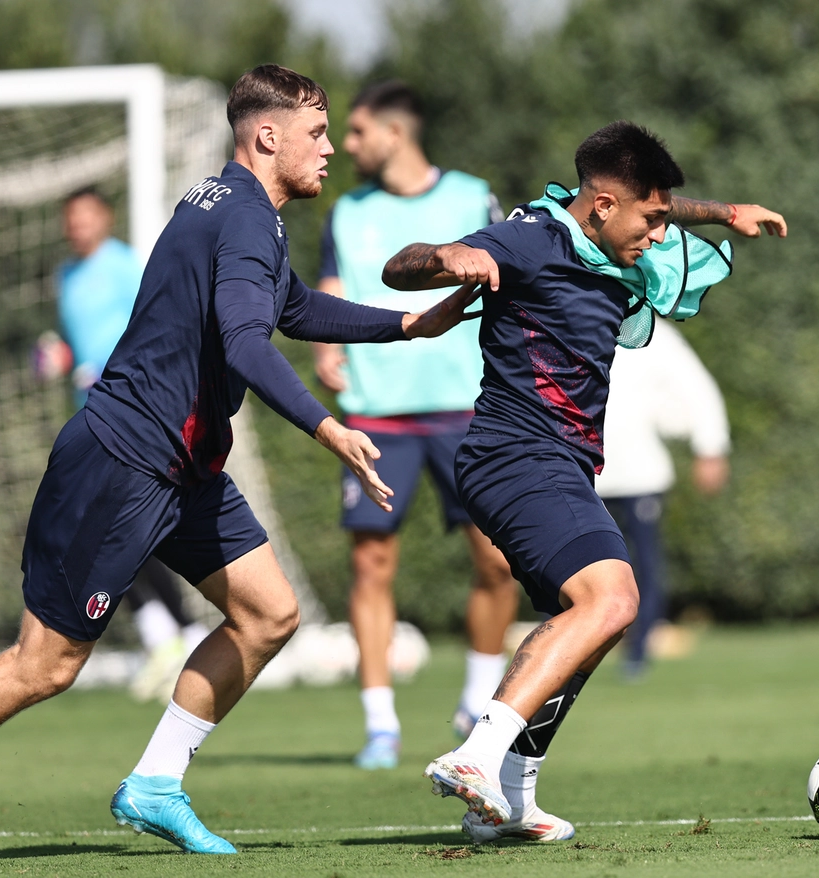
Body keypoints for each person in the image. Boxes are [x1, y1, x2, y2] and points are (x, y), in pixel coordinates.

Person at [0, 64, 479, 863]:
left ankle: (154, 785)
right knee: (45, 665)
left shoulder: (235, 206)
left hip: (179, 467)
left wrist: (407, 325)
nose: (330, 150)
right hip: (123, 459)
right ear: (267, 136)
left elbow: (289, 307)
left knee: (269, 612)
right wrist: (328, 429)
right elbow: (250, 342)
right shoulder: (246, 218)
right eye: (317, 134)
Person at [382, 120, 786, 843]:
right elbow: (400, 267)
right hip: (514, 456)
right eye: (652, 221)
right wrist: (450, 257)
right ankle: (477, 756)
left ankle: (513, 793)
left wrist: (726, 213)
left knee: (593, 619)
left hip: (556, 464)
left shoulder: (605, 222)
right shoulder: (528, 238)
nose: (660, 236)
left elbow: (653, 205)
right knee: (614, 596)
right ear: (601, 207)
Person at [312, 81, 518, 770]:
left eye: (360, 132)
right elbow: (331, 291)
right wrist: (325, 350)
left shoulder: (472, 194)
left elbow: (510, 277)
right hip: (376, 413)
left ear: (395, 134)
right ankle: (379, 725)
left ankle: (478, 699)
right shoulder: (346, 211)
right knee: (371, 566)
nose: (347, 145)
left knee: (497, 560)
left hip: (468, 408)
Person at [56, 186, 211, 702]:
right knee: (105, 530)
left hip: (139, 414)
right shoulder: (64, 278)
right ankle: (168, 638)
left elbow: (151, 324)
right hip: (96, 417)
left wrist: (108, 368)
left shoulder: (125, 265)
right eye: (70, 218)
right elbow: (80, 344)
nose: (78, 226)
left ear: (104, 218)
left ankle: (178, 636)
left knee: (128, 527)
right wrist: (61, 358)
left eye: (86, 216)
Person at [594, 321, 730, 678]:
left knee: (644, 565)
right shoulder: (569, 320)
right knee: (573, 566)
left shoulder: (654, 332)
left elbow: (697, 388)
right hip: (585, 474)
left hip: (640, 474)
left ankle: (637, 654)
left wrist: (711, 447)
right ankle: (565, 653)